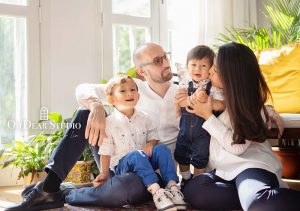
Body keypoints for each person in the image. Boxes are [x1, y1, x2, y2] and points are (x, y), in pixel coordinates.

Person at [5, 42, 285, 211]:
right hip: (118, 153)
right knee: (83, 113)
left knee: (128, 191)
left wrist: (268, 108)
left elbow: (236, 93)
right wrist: (97, 106)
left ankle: (64, 194)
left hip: (155, 168)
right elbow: (82, 88)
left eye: (166, 56)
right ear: (141, 70)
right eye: (158, 60)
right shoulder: (131, 88)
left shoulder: (185, 91)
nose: (166, 64)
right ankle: (49, 185)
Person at [180, 42, 300, 211]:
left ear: (231, 76)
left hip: (249, 166)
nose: (210, 71)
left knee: (257, 203)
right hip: (223, 171)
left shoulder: (249, 106)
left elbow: (237, 148)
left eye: (215, 68)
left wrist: (207, 116)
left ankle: (257, 198)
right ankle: (252, 197)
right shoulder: (218, 96)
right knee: (193, 190)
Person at [94, 74, 185, 211]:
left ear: (138, 95)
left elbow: (154, 136)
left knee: (161, 148)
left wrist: (151, 143)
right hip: (123, 166)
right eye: (122, 91)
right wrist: (104, 174)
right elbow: (105, 151)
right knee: (137, 155)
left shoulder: (145, 118)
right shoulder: (109, 123)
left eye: (132, 89)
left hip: (144, 160)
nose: (129, 93)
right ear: (111, 99)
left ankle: (172, 187)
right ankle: (156, 192)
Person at [174, 45, 225, 187]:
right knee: (181, 153)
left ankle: (197, 181)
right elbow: (180, 101)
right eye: (194, 65)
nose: (198, 69)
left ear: (211, 68)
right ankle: (184, 177)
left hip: (203, 131)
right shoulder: (184, 83)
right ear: (187, 66)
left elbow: (222, 104)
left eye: (203, 65)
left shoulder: (212, 86)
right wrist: (191, 99)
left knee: (200, 156)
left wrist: (209, 101)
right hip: (184, 129)